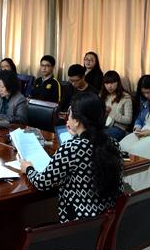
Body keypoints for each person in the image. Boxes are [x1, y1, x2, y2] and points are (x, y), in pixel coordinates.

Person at [20, 93, 123, 223]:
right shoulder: (113, 144)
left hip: (79, 223)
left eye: (69, 114)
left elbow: (42, 183)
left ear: (77, 121)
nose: (67, 118)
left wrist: (28, 169)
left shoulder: (72, 147)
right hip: (109, 219)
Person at [100, 71, 133, 141]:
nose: (109, 86)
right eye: (107, 83)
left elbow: (128, 120)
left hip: (118, 128)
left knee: (101, 136)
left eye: (112, 83)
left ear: (118, 82)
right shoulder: (102, 95)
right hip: (102, 125)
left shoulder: (126, 97)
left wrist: (110, 112)